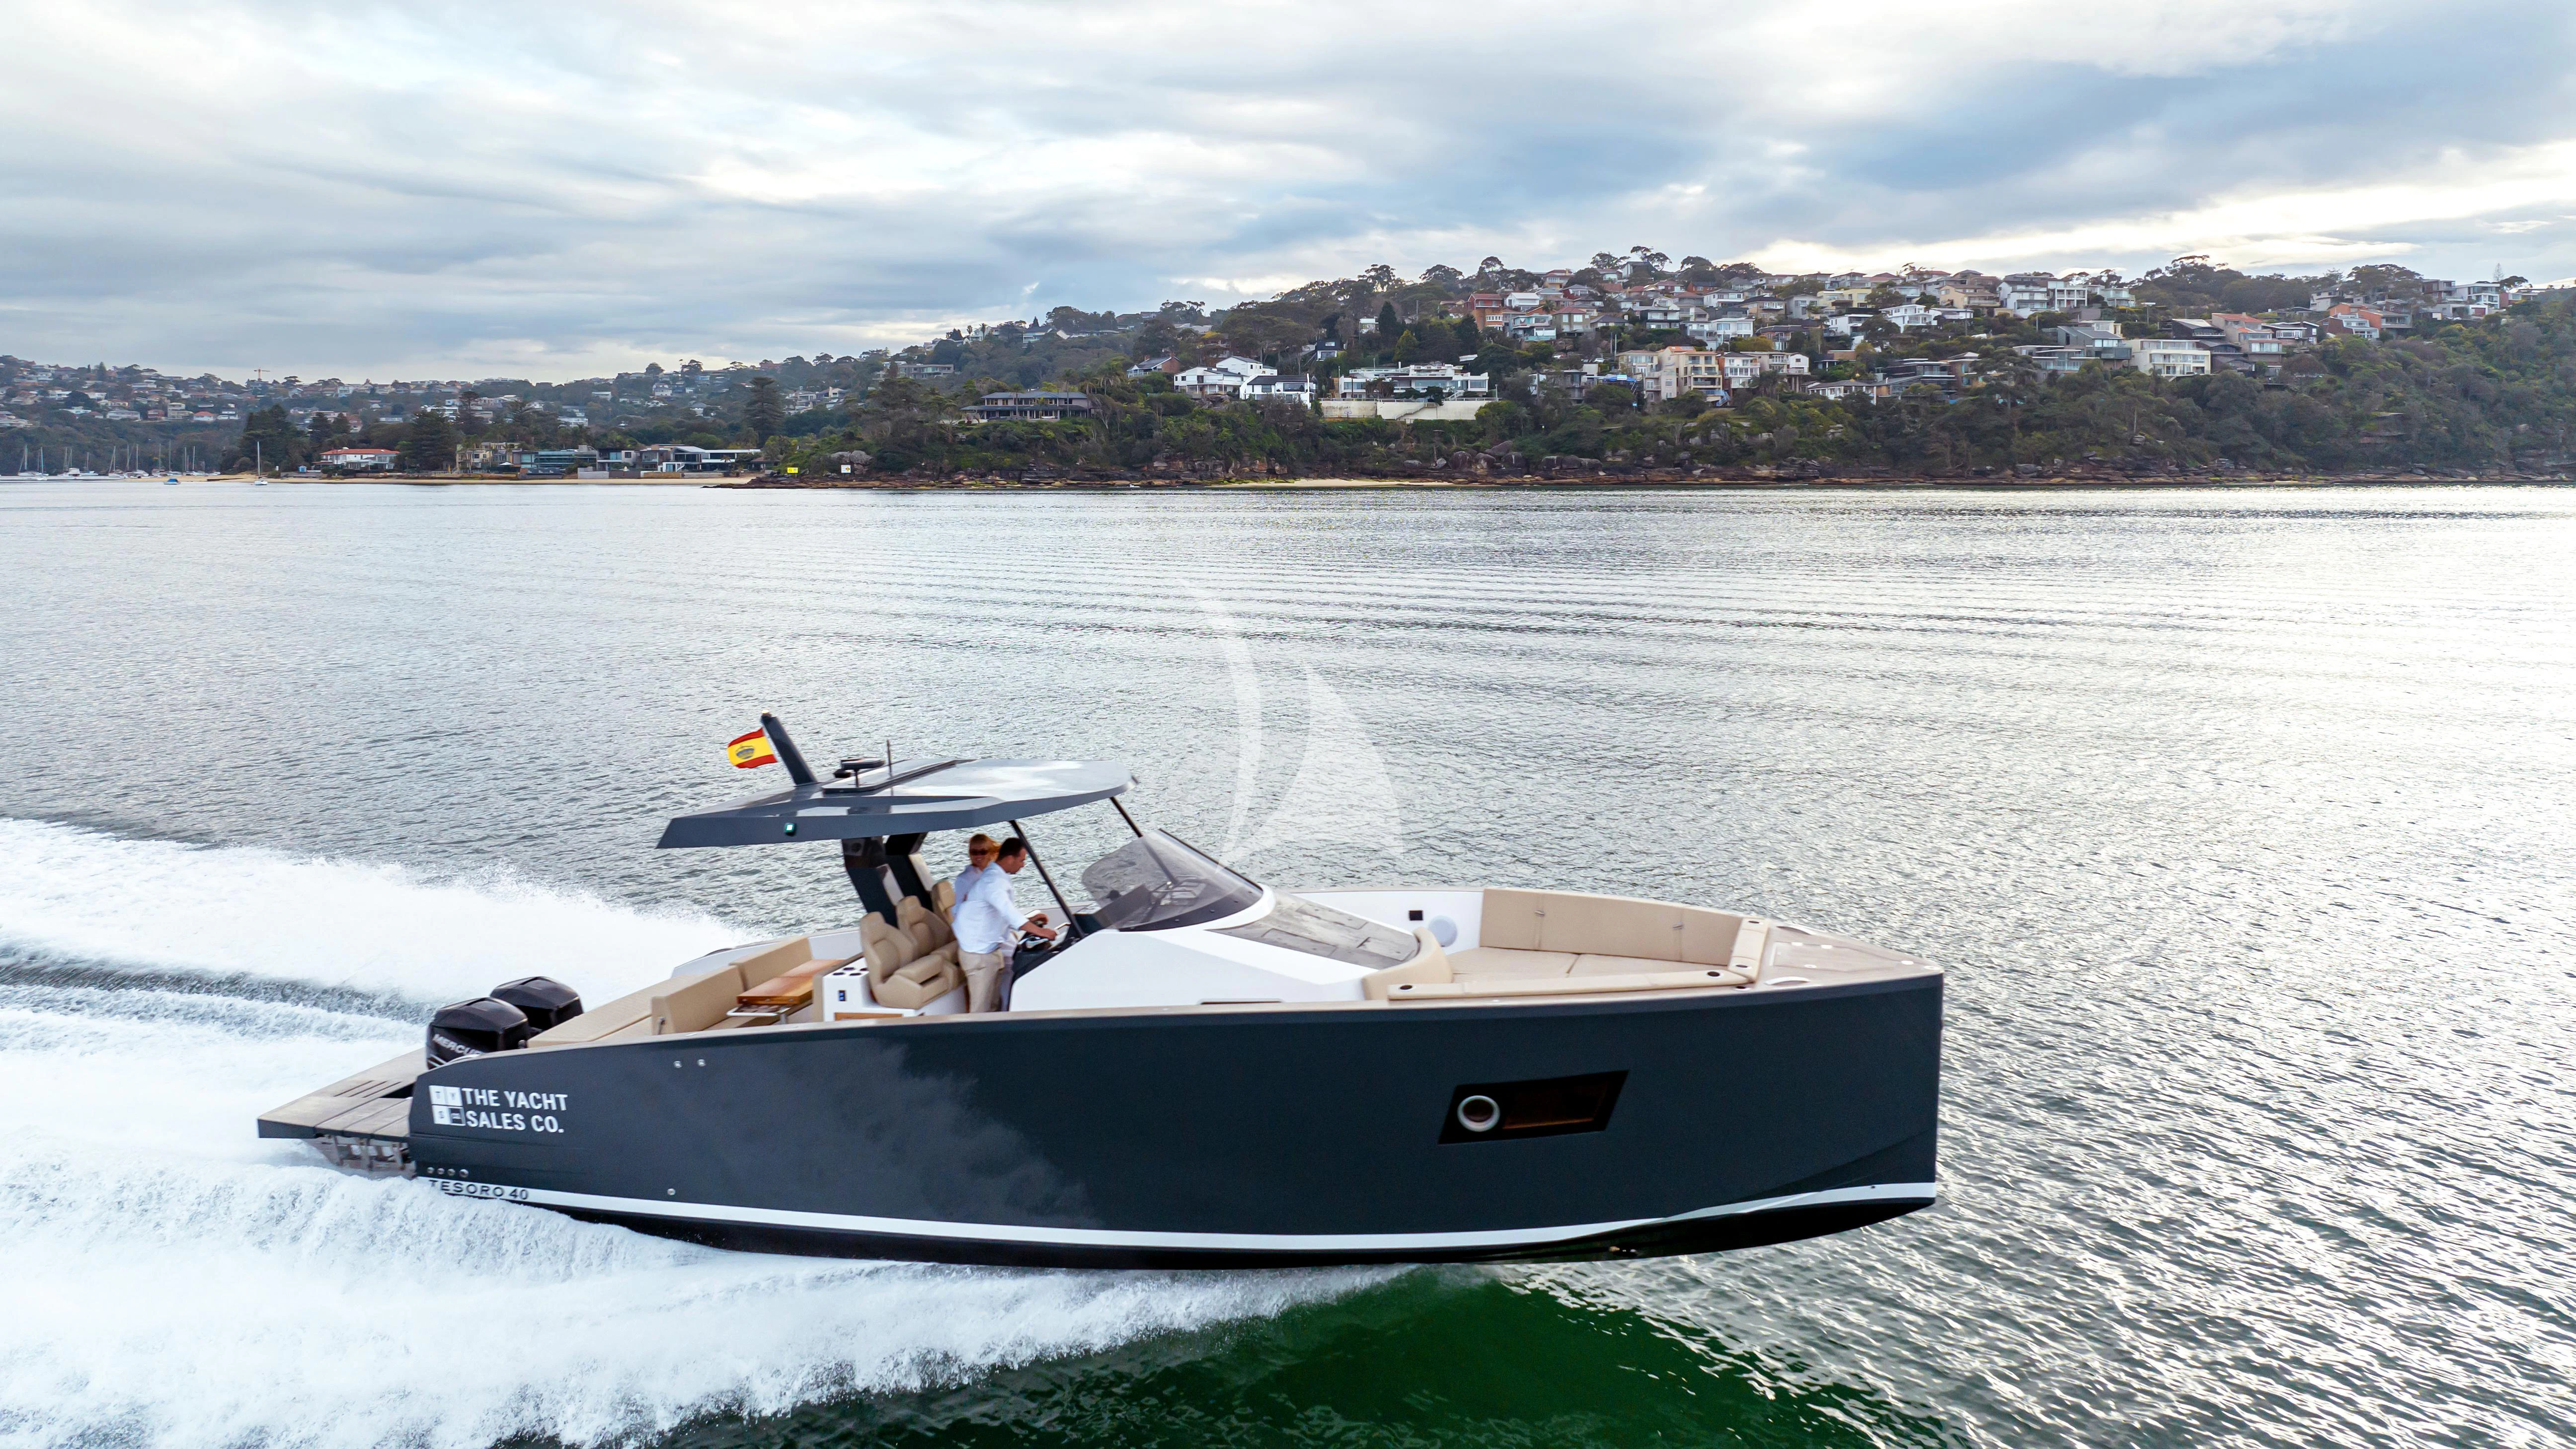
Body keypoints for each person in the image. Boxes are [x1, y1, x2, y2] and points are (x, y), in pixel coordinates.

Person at [950, 836, 1058, 1013]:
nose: (1023, 865)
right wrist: (1041, 932)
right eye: (1022, 860)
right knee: (981, 1011)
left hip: (990, 951)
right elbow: (1008, 911)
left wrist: (1030, 921)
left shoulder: (996, 877)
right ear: (1010, 859)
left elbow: (1000, 915)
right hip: (979, 955)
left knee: (994, 1006)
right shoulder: (993, 882)